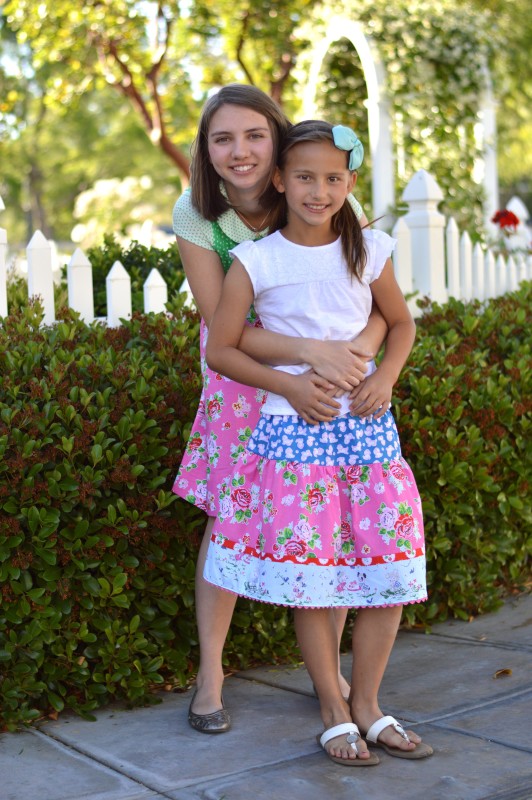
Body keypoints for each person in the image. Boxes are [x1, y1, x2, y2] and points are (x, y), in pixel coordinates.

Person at [204, 119, 433, 765]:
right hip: (295, 433)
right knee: (317, 575)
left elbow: (401, 320)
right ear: (280, 179)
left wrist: (385, 374)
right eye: (304, 176)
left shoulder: (371, 248)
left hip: (369, 433)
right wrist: (292, 386)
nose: (319, 190)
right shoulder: (257, 259)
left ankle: (368, 702)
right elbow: (224, 347)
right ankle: (332, 710)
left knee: (390, 565)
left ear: (350, 182)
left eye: (334, 178)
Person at [172, 85, 388, 734]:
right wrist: (305, 357)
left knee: (333, 515)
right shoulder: (198, 215)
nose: (240, 151)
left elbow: (376, 302)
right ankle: (210, 672)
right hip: (247, 383)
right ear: (206, 151)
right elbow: (222, 323)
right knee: (231, 517)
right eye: (222, 139)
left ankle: (328, 677)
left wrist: (354, 356)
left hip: (329, 387)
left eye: (254, 135)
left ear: (277, 136)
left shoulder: (318, 184)